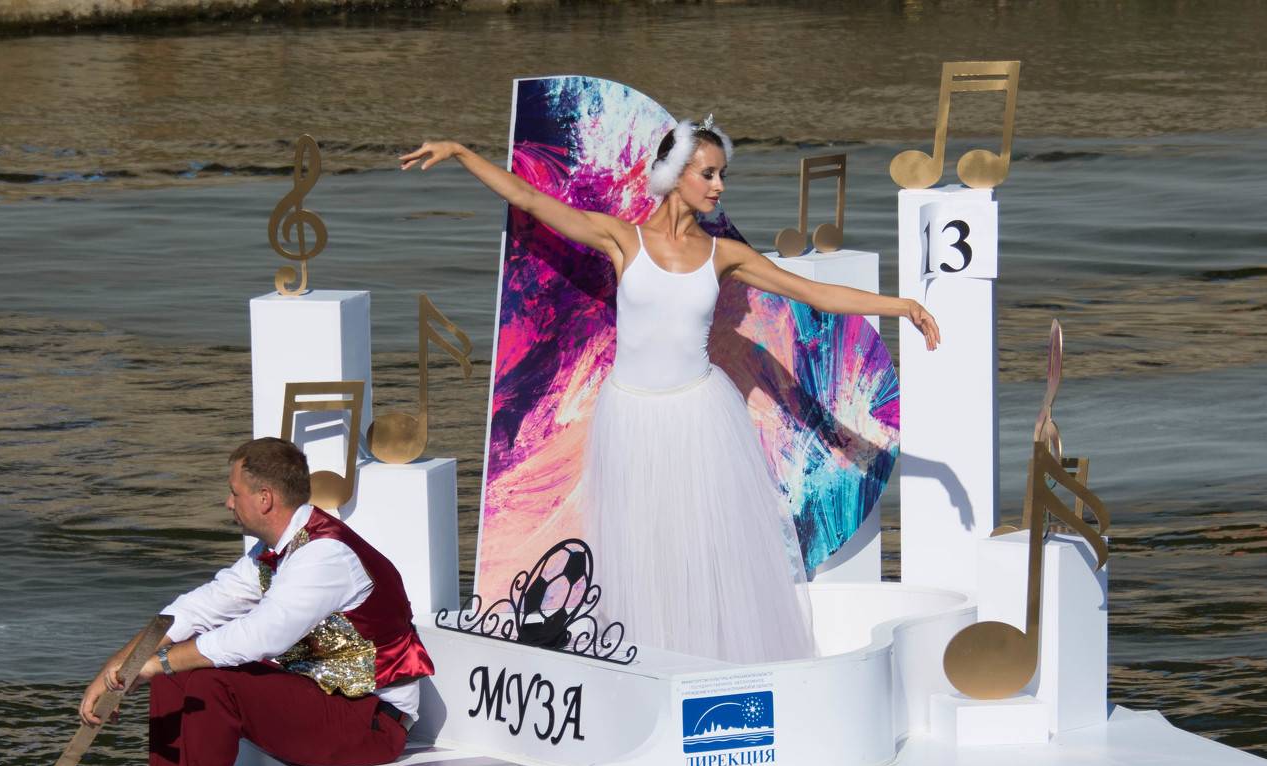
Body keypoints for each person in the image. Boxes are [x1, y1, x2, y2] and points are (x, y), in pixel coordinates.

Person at [400, 117, 940, 664]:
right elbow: (530, 200)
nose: (719, 186)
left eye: (722, 174)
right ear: (676, 174)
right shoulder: (622, 238)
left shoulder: (724, 255)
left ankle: (712, 662)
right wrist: (461, 152)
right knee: (641, 545)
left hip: (698, 415)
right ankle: (653, 661)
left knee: (700, 544)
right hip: (629, 415)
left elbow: (813, 294)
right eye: (708, 174)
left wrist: (903, 306)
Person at [78, 437, 435, 766]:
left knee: (207, 679)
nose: (228, 503)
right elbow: (197, 609)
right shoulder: (276, 550)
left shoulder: (325, 555)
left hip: (373, 722)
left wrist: (160, 662)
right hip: (325, 695)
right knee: (178, 669)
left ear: (265, 498)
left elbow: (262, 635)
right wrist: (119, 667)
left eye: (235, 492)